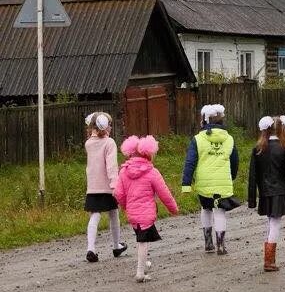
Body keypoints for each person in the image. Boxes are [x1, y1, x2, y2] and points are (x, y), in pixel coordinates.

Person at [114, 136, 178, 282]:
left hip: (132, 214)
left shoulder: (124, 171)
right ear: (149, 153)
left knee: (141, 240)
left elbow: (118, 193)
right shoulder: (152, 172)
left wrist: (125, 206)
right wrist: (173, 209)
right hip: (146, 214)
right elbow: (164, 193)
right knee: (143, 242)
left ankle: (144, 263)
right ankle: (140, 273)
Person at [181, 104, 240, 255]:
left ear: (204, 121)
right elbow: (234, 161)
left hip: (204, 183)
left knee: (206, 208)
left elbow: (190, 162)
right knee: (220, 211)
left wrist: (186, 184)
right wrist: (232, 176)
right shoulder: (229, 139)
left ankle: (208, 243)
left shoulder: (198, 139)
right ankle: (221, 245)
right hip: (222, 181)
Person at [248, 115, 285, 272]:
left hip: (264, 192)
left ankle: (269, 259)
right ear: (283, 129)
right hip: (280, 190)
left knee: (270, 222)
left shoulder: (258, 148)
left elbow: (252, 175)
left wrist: (251, 199)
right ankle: (269, 261)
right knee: (274, 223)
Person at [83, 111, 127, 263]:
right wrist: (115, 185)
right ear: (105, 126)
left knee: (94, 215)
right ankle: (116, 245)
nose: (110, 127)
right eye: (110, 124)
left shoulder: (88, 143)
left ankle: (90, 248)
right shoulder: (110, 143)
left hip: (93, 186)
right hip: (108, 186)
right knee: (114, 213)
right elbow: (111, 166)